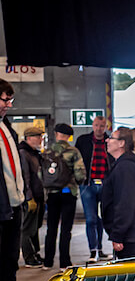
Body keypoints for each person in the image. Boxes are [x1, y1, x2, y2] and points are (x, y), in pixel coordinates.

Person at [0, 78, 32, 281]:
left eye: (11, 101)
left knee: (10, 261)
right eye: (4, 100)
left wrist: (22, 197)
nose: (8, 105)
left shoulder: (6, 128)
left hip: (13, 206)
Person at [42, 122, 87, 271]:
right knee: (66, 229)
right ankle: (64, 262)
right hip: (68, 193)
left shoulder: (47, 152)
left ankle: (47, 262)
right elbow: (80, 174)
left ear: (56, 134)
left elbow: (41, 174)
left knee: (51, 228)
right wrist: (78, 182)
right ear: (68, 136)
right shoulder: (73, 151)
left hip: (52, 194)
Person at [101, 129, 135, 259]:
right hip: (127, 232)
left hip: (127, 234)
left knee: (128, 273)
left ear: (121, 143)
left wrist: (118, 234)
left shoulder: (125, 167)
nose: (107, 140)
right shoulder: (123, 165)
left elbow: (125, 203)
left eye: (111, 138)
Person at [74, 114, 111, 261]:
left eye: (102, 126)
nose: (99, 129)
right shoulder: (83, 141)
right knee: (91, 219)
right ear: (92, 125)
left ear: (106, 127)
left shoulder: (110, 142)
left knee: (102, 218)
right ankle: (92, 250)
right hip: (87, 185)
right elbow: (75, 161)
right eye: (96, 125)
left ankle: (100, 249)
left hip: (105, 185)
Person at [18, 126, 46, 266]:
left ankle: (35, 253)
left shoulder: (34, 153)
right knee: (28, 228)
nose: (41, 139)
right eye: (38, 137)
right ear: (29, 138)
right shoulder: (24, 153)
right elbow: (25, 176)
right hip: (31, 196)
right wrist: (29, 197)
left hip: (38, 195)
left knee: (35, 227)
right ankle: (29, 257)